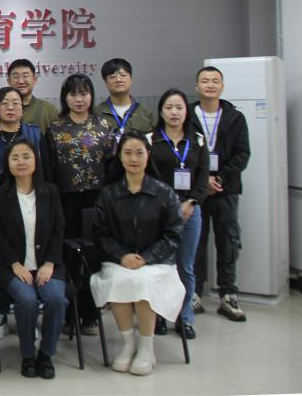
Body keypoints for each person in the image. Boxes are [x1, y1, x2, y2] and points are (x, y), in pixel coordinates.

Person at [90, 132, 185, 376]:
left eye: (139, 153)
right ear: (120, 157)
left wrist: (147, 258)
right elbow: (100, 234)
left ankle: (146, 347)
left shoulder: (164, 192)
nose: (134, 159)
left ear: (148, 156)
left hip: (156, 262)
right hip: (119, 260)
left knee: (142, 281)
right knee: (119, 279)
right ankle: (128, 344)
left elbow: (173, 235)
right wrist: (122, 256)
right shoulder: (108, 194)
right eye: (128, 153)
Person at [0, 140, 68, 380]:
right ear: (7, 164)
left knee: (56, 299)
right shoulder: (1, 195)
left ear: (36, 160)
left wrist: (49, 263)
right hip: (13, 267)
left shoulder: (50, 192)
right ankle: (29, 355)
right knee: (27, 299)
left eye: (26, 156)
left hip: (47, 265)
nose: (21, 162)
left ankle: (46, 355)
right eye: (15, 157)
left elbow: (58, 230)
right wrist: (15, 264)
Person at [45, 74, 116, 335]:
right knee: (67, 257)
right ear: (65, 97)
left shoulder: (103, 126)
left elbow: (112, 166)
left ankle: (90, 315)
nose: (79, 99)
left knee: (93, 257)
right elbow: (49, 170)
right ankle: (67, 314)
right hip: (65, 201)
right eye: (73, 94)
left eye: (84, 94)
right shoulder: (55, 128)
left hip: (96, 202)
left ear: (91, 96)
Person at [147, 89, 209, 339]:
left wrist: (192, 201)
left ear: (186, 111)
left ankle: (185, 318)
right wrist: (166, 204)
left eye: (179, 107)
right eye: (169, 107)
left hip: (189, 210)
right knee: (161, 265)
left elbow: (202, 177)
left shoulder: (198, 141)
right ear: (161, 112)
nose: (174, 112)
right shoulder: (151, 140)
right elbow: (149, 176)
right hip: (159, 211)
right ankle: (160, 316)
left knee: (185, 266)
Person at [190, 66, 251, 322]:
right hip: (197, 190)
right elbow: (183, 152)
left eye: (215, 81)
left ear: (222, 87)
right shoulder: (187, 115)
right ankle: (195, 292)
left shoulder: (235, 117)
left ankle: (228, 294)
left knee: (228, 241)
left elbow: (242, 153)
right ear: (197, 86)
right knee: (196, 241)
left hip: (226, 190)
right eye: (205, 81)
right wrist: (202, 180)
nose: (210, 85)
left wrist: (220, 178)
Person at [95, 58, 157, 138]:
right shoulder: (97, 114)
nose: (118, 80)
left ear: (131, 79)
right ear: (105, 83)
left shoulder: (146, 113)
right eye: (112, 77)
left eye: (123, 75)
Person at [7, 59, 58, 132]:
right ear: (9, 81)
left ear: (34, 80)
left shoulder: (49, 110)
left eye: (25, 76)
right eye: (16, 76)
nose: (21, 81)